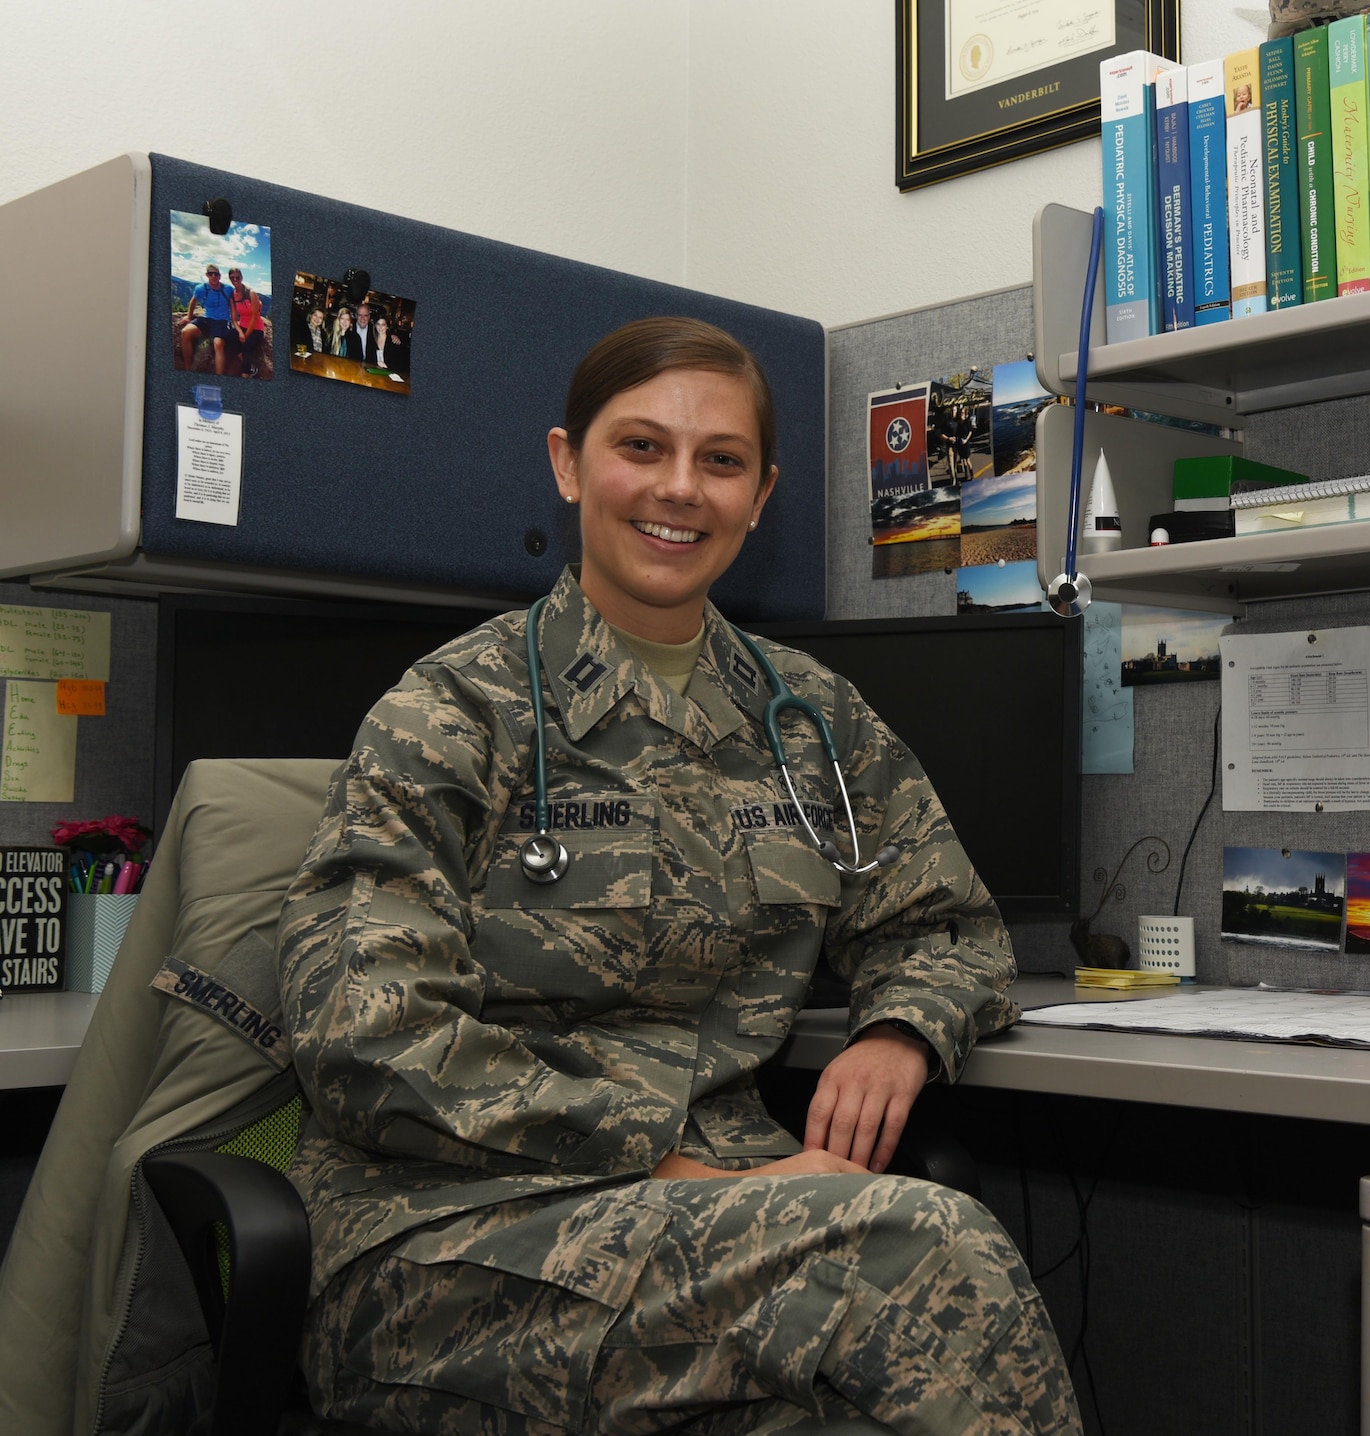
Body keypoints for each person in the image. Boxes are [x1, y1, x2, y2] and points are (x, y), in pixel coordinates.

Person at [277, 316, 1080, 1435]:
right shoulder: (452, 711)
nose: (680, 488)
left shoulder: (808, 718)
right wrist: (667, 1164)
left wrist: (897, 1031)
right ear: (568, 462)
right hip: (454, 1239)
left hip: (734, 1239)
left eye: (721, 460)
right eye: (641, 447)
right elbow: (364, 1031)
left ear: (760, 494)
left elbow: (947, 926)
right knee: (922, 1254)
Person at [177, 264, 234, 374]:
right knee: (185, 332)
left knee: (218, 344)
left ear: (220, 276)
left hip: (222, 322)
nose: (213, 276)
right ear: (207, 275)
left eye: (216, 274)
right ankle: (188, 369)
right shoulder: (201, 288)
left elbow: (237, 302)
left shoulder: (228, 289)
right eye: (210, 274)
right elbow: (193, 301)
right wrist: (189, 316)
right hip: (207, 319)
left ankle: (219, 378)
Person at [228, 268, 266, 379]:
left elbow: (255, 317)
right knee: (226, 337)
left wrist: (246, 335)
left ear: (241, 278)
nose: (235, 280)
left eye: (237, 277)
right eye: (232, 278)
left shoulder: (251, 293)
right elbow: (234, 319)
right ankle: (248, 362)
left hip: (256, 328)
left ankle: (247, 373)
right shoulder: (232, 296)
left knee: (246, 345)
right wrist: (240, 332)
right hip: (242, 326)